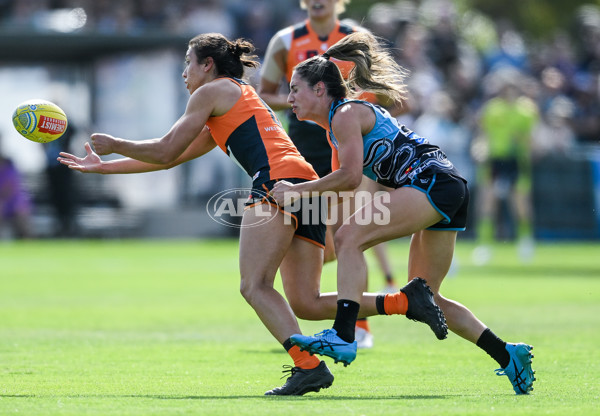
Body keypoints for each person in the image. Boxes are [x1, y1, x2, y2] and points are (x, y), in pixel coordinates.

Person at [58, 33, 446, 396]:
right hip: (303, 184)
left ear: (208, 65)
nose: (184, 73)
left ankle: (306, 365)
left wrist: (113, 144)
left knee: (254, 285)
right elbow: (170, 158)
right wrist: (103, 167)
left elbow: (163, 148)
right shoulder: (235, 96)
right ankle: (403, 301)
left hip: (278, 183)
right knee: (305, 303)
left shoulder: (212, 91)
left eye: (188, 64)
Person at [270, 31, 536, 395]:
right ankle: (507, 354)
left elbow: (348, 178)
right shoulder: (339, 129)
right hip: (445, 186)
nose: (288, 99)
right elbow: (342, 189)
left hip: (431, 184)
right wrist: (312, 233)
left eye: (295, 89)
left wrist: (296, 192)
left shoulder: (345, 114)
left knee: (351, 236)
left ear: (319, 89)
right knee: (425, 294)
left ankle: (345, 334)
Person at [258, 0, 401, 347]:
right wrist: (301, 100)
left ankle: (357, 326)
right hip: (302, 147)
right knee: (317, 244)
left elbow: (381, 90)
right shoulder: (285, 40)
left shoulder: (355, 36)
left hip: (348, 144)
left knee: (349, 234)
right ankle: (339, 315)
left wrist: (348, 108)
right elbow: (264, 93)